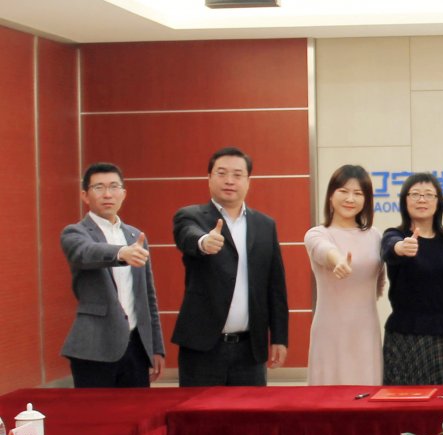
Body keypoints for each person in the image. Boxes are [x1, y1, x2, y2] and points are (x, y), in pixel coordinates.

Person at [172, 147, 289, 386]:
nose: (229, 181)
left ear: (248, 181)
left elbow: (275, 286)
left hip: (250, 349)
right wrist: (204, 242)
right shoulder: (190, 216)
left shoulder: (265, 225)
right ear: (209, 177)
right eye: (222, 173)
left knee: (251, 410)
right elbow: (188, 236)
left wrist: (279, 337)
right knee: (199, 410)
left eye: (237, 175)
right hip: (202, 348)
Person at [60, 162, 165, 387]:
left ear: (123, 193)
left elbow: (148, 296)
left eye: (114, 187)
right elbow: (85, 253)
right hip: (94, 348)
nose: (107, 194)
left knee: (137, 408)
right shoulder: (75, 233)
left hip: (136, 347)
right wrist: (121, 253)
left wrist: (156, 347)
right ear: (85, 195)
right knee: (96, 409)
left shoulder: (136, 236)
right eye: (99, 187)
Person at [380, 173, 443, 385]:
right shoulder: (395, 235)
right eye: (415, 194)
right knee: (406, 401)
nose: (422, 200)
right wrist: (401, 247)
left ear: (438, 202)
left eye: (429, 194)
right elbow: (389, 249)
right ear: (405, 201)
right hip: (405, 337)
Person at [305, 165, 385, 385]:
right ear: (331, 195)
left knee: (367, 393)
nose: (350, 199)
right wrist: (338, 260)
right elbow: (323, 250)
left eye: (358, 193)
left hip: (366, 332)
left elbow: (379, 285)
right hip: (329, 333)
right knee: (327, 395)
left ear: (366, 200)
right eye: (343, 191)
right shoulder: (317, 233)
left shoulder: (375, 236)